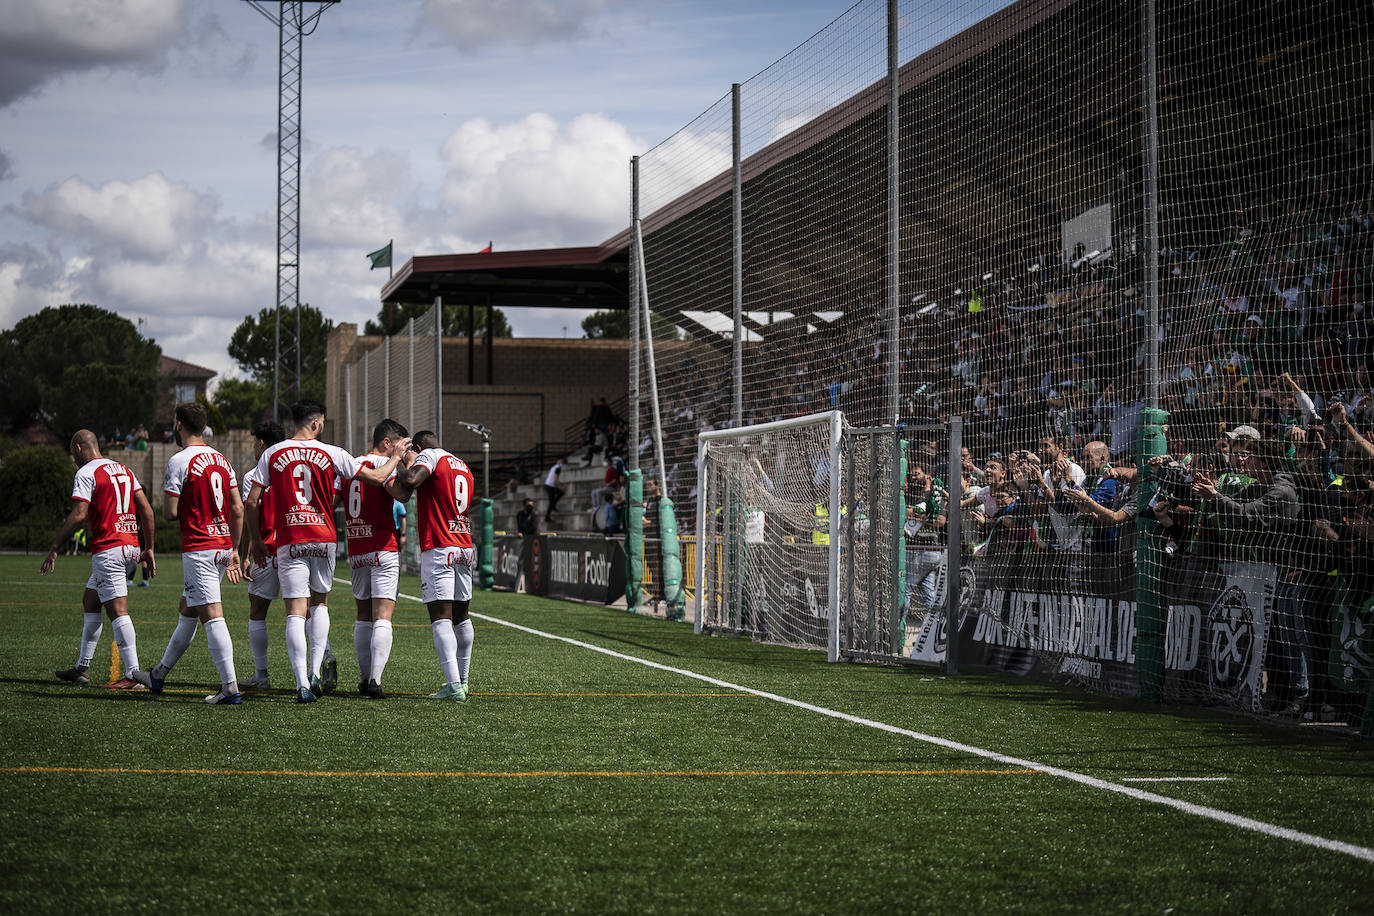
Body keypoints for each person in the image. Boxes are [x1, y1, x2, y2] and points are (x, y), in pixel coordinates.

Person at [242, 400, 409, 704]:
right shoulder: (332, 452)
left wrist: (255, 541)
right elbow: (375, 477)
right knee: (319, 604)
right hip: (323, 538)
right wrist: (396, 457)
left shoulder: (272, 453)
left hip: (290, 538)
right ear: (317, 423)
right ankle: (315, 671)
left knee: (295, 610)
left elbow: (251, 501)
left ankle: (302, 683)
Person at [131, 402, 245, 705]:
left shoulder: (179, 460)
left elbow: (169, 512)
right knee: (188, 608)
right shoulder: (222, 459)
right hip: (221, 545)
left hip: (200, 546)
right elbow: (236, 507)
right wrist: (235, 547)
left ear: (179, 425)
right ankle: (159, 674)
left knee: (212, 615)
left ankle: (230, 687)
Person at [41, 430, 154, 689]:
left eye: (72, 453)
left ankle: (132, 675)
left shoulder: (86, 472)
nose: (73, 459)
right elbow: (146, 509)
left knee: (118, 611)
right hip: (130, 547)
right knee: (90, 599)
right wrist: (150, 547)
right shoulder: (125, 469)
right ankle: (82, 668)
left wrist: (56, 545)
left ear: (79, 449)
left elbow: (79, 514)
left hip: (109, 548)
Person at [396, 429, 476, 700]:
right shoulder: (462, 464)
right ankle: (463, 680)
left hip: (440, 545)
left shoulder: (428, 456)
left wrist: (403, 460)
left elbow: (411, 480)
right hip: (463, 545)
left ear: (418, 446)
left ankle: (453, 685)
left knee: (440, 616)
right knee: (462, 616)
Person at [345, 419, 413, 700]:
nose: (402, 449)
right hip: (382, 546)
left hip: (356, 546)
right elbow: (402, 494)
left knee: (363, 615)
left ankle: (363, 678)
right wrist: (406, 464)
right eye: (400, 443)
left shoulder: (350, 464)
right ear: (387, 442)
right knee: (382, 617)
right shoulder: (381, 465)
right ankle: (374, 679)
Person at [239, 420, 286, 690]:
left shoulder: (254, 475)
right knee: (305, 611)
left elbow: (249, 515)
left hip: (265, 550)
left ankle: (261, 675)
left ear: (261, 444)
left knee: (257, 611)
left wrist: (244, 553)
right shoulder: (295, 468)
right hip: (295, 547)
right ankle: (320, 664)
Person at [544, 457, 565, 522]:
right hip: (549, 486)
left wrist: (560, 485)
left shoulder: (554, 467)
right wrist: (561, 487)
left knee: (560, 493)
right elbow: (556, 479)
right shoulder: (557, 468)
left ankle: (553, 505)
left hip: (550, 485)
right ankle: (547, 517)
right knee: (551, 502)